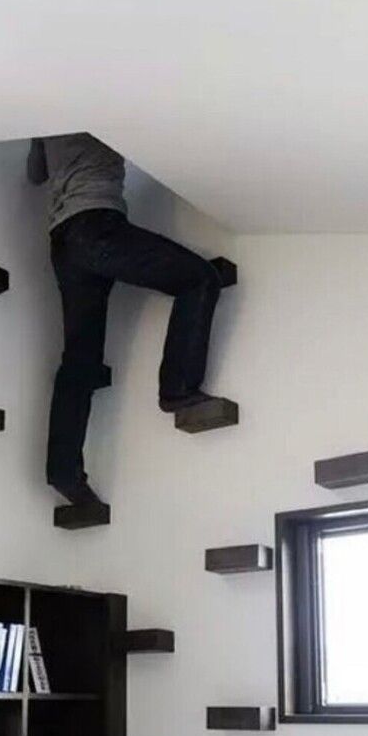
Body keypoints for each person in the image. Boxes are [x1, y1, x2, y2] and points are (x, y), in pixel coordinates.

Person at [28, 133, 230, 508]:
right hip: (96, 224)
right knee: (200, 279)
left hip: (62, 240)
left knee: (80, 360)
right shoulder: (102, 103)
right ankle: (178, 389)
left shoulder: (43, 119)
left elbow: (35, 174)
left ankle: (64, 473)